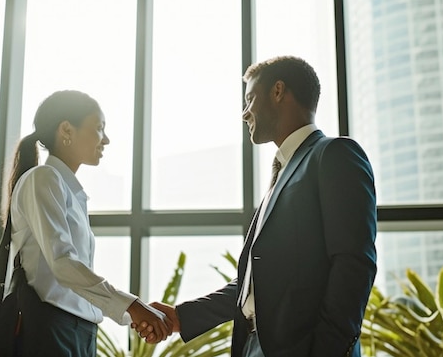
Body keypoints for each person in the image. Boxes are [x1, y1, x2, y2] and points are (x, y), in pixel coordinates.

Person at [141, 56, 377, 356]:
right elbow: (257, 282)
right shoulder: (281, 175)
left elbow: (354, 264)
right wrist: (180, 318)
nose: (244, 113)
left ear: (278, 91)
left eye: (250, 98)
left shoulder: (334, 155)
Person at [3, 90, 171, 356]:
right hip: (51, 330)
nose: (106, 139)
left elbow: (76, 283)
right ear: (66, 130)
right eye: (99, 128)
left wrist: (133, 315)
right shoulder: (43, 178)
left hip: (78, 331)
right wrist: (132, 307)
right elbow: (64, 265)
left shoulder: (67, 190)